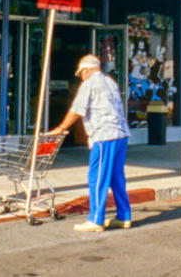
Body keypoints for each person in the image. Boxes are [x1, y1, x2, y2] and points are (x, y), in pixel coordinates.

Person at [48, 54, 132, 233]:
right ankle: (124, 216)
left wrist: (60, 128)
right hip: (121, 134)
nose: (81, 77)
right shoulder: (111, 82)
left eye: (81, 73)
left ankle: (96, 219)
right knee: (117, 178)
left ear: (86, 70)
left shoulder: (89, 84)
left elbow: (76, 110)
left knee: (98, 178)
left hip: (104, 135)